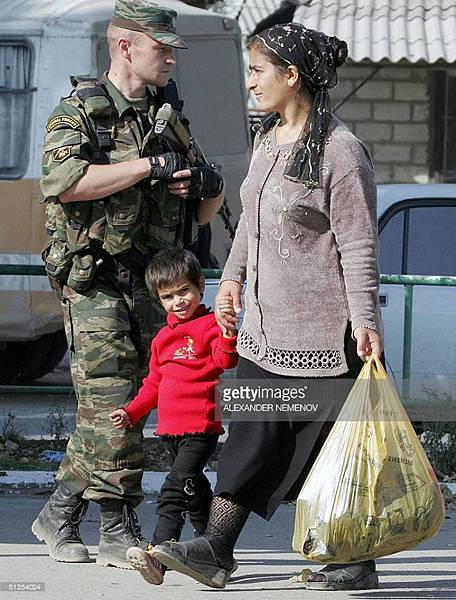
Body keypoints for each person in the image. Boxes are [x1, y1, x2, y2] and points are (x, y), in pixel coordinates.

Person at [150, 23, 384, 591]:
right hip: (262, 329)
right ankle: (216, 549)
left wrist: (368, 323)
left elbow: (357, 243)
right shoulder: (266, 139)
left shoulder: (340, 151)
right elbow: (250, 227)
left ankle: (354, 558)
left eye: (257, 71)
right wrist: (230, 280)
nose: (249, 82)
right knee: (250, 437)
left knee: (327, 452)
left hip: (326, 336)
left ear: (291, 76)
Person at [31, 0, 225, 569]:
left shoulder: (170, 116)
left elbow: (209, 211)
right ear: (125, 46)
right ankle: (117, 524)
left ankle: (60, 509)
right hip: (96, 282)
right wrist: (148, 168)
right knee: (115, 397)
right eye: (161, 48)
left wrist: (206, 184)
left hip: (156, 288)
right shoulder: (79, 112)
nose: (170, 59)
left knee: (116, 406)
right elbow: (64, 182)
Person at [107, 248, 238, 585]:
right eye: (168, 296)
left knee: (174, 490)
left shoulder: (210, 324)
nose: (178, 301)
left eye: (185, 291)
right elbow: (153, 384)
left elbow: (226, 362)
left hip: (201, 427)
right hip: (169, 430)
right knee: (194, 491)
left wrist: (227, 332)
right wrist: (131, 412)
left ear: (199, 286)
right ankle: (214, 551)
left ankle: (156, 556)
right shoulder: (163, 339)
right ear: (158, 299)